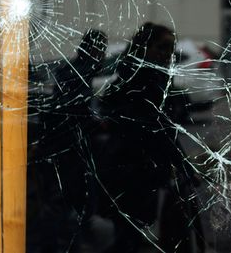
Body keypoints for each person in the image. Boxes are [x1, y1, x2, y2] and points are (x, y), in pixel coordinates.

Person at [97, 23, 203, 253]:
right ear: (144, 49)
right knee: (130, 235)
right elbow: (157, 130)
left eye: (171, 48)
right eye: (162, 47)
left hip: (143, 169)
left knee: (135, 234)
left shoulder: (153, 79)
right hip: (132, 170)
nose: (168, 54)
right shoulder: (140, 82)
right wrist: (182, 165)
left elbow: (165, 129)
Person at [27, 29, 108, 253]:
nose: (101, 53)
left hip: (65, 143)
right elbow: (71, 111)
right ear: (90, 48)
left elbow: (62, 108)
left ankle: (58, 241)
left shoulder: (76, 70)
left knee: (69, 196)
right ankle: (48, 242)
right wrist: (94, 124)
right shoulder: (79, 72)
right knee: (66, 197)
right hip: (67, 145)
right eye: (99, 48)